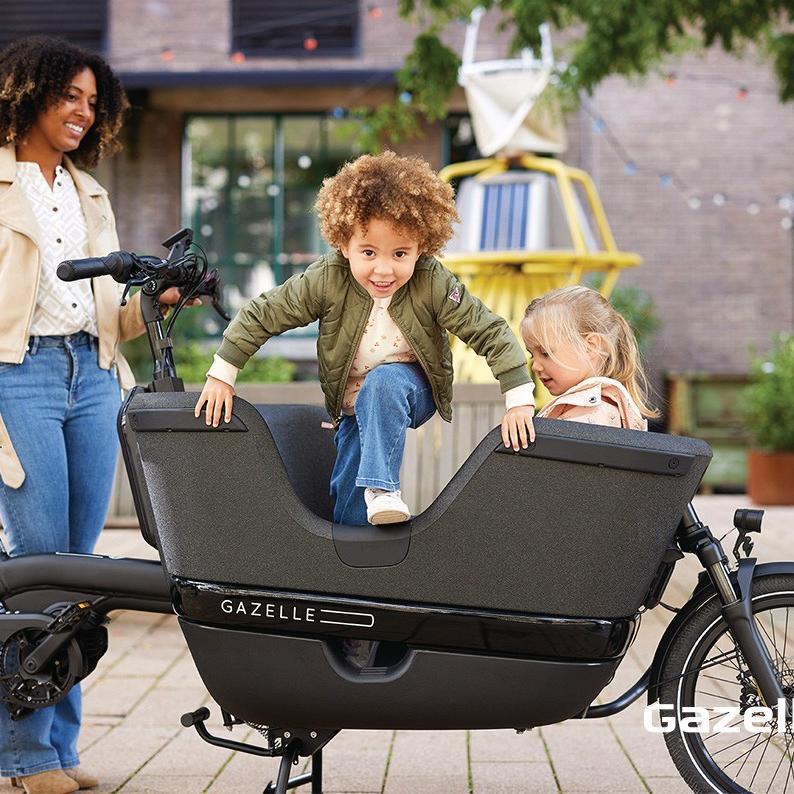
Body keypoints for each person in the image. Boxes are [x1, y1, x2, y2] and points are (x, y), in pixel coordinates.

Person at [0, 36, 189, 794]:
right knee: (36, 564)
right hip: (19, 377)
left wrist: (163, 296)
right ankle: (21, 756)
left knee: (77, 570)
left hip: (95, 375)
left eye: (91, 100)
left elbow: (110, 315)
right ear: (26, 93)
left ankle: (60, 744)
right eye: (68, 96)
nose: (83, 111)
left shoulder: (91, 195)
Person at [195, 151, 537, 526]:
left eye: (400, 253)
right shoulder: (327, 278)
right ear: (344, 244)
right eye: (369, 252)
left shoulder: (432, 281)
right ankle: (356, 544)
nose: (383, 269)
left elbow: (488, 330)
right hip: (352, 405)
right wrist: (222, 374)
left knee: (385, 382)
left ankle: (382, 489)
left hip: (412, 387)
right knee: (349, 502)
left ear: (422, 247)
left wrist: (519, 400)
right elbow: (266, 313)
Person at [520, 285, 658, 429]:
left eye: (545, 353)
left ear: (590, 346)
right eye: (532, 355)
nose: (535, 366)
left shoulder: (593, 416)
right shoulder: (588, 409)